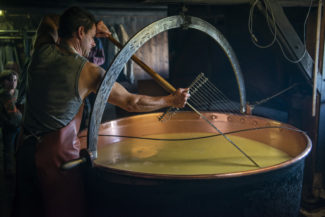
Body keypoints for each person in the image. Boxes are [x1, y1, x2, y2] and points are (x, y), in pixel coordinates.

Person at [13, 6, 189, 217]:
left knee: (27, 208)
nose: (94, 42)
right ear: (79, 32)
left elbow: (48, 18)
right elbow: (132, 102)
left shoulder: (42, 49)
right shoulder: (87, 71)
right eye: (91, 37)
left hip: (25, 151)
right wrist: (171, 100)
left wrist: (93, 27)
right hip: (57, 162)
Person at [0, 69, 22, 177]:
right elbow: (12, 113)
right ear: (3, 82)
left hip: (17, 126)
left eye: (15, 80)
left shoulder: (17, 93)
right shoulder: (4, 95)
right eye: (9, 80)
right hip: (9, 127)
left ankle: (16, 170)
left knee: (17, 149)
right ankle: (9, 172)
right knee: (9, 150)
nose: (13, 83)